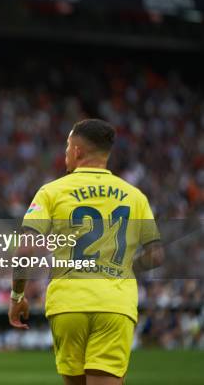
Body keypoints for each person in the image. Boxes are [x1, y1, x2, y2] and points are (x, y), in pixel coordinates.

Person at [8, 119, 164, 385]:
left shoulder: (51, 192)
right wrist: (125, 268)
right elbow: (156, 255)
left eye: (67, 146)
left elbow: (25, 248)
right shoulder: (135, 196)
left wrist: (17, 296)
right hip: (115, 305)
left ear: (78, 151)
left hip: (68, 304)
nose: (65, 152)